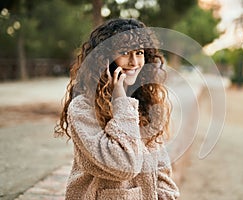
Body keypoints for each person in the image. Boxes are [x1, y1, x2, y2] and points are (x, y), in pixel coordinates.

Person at [55, 18, 179, 199]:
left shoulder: (146, 103)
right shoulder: (82, 108)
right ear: (105, 58)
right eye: (124, 53)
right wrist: (121, 101)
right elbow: (125, 165)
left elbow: (160, 167)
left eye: (139, 52)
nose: (134, 62)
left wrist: (168, 195)